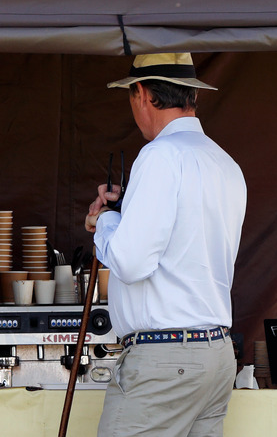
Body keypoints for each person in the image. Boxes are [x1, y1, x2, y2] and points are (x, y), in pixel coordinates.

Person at [84, 53, 247, 436]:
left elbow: (130, 261)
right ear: (192, 95)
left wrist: (104, 222)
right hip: (216, 353)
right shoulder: (226, 164)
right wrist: (125, 212)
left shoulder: (159, 156)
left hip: (167, 356)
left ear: (142, 94)